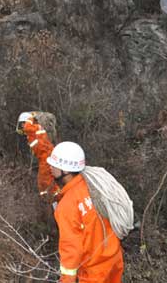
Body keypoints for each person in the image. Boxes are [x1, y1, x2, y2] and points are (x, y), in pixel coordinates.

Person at [46, 141, 124, 283]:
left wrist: (67, 280)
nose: (50, 167)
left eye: (54, 165)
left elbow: (71, 249)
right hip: (114, 260)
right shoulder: (95, 185)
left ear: (66, 170)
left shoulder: (67, 205)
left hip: (94, 272)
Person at [16, 112, 61, 205]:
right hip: (45, 158)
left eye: (23, 123)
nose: (22, 126)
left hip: (46, 158)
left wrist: (30, 118)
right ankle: (49, 198)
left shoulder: (33, 128)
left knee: (45, 181)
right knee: (44, 181)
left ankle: (54, 199)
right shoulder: (33, 132)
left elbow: (27, 127)